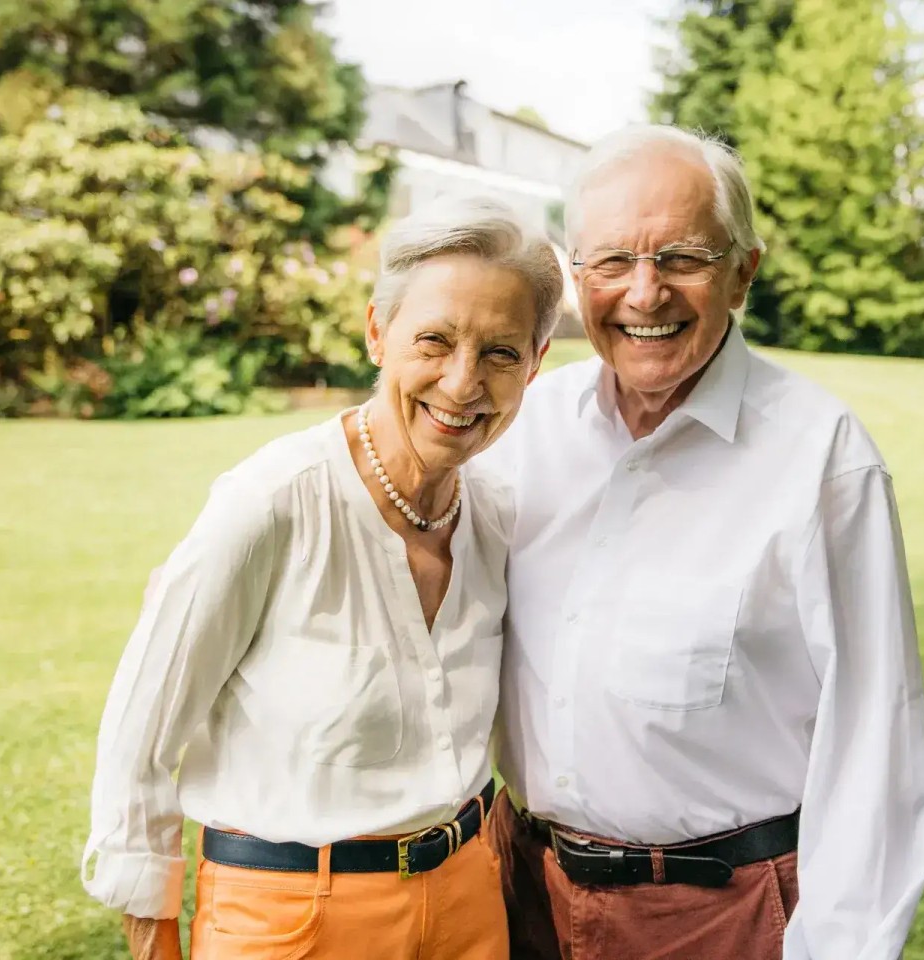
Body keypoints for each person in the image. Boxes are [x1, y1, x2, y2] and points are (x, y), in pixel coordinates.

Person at [479, 124, 924, 960]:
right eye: (612, 261)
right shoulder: (528, 429)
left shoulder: (821, 458)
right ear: (576, 276)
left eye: (682, 258)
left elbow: (876, 740)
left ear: (744, 272)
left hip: (718, 920)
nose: (644, 294)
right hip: (524, 898)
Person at [81, 194, 563, 960]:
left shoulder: (502, 518)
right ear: (378, 332)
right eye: (434, 341)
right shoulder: (272, 501)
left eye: (501, 352)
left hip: (471, 907)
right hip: (291, 921)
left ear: (535, 366)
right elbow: (138, 741)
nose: (463, 382)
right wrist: (154, 937)